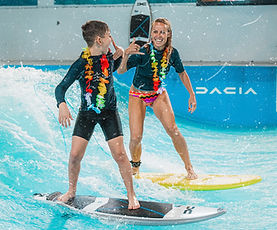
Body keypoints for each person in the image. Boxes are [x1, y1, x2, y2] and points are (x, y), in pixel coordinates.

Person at [55, 20, 140, 209]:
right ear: (100, 40)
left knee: (119, 155)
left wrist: (125, 54)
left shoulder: (108, 57)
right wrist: (61, 104)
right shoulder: (80, 64)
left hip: (109, 112)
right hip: (86, 114)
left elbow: (118, 67)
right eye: (109, 35)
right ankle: (71, 191)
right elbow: (61, 87)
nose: (112, 38)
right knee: (75, 155)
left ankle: (131, 194)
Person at [117, 18, 197, 179]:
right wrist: (126, 55)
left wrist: (192, 94)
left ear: (168, 34)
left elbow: (181, 72)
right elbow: (120, 71)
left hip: (158, 94)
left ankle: (189, 168)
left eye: (162, 32)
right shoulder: (143, 52)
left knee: (173, 130)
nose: (158, 35)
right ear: (151, 34)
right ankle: (135, 166)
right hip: (137, 95)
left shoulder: (172, 54)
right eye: (155, 31)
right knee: (136, 137)